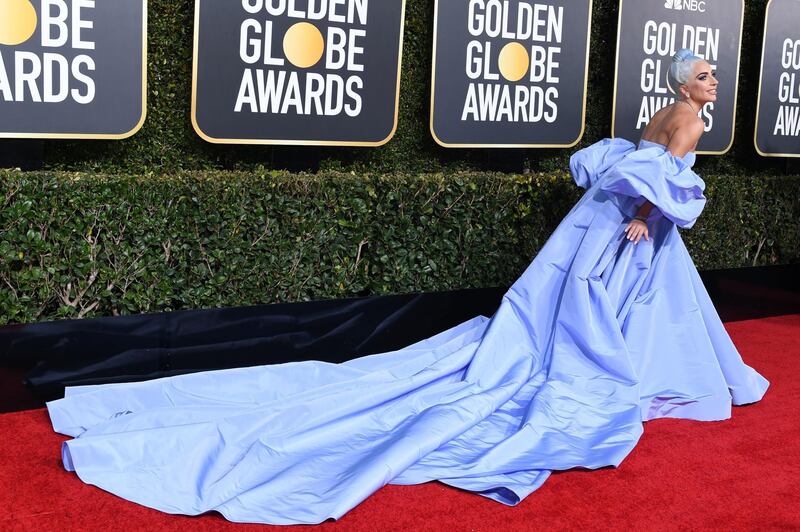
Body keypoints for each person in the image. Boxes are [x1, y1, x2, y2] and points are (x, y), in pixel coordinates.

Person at [45, 49, 768, 525]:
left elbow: (631, 159)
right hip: (632, 228)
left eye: (711, 74)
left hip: (594, 224)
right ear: (684, 83)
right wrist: (644, 218)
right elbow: (663, 181)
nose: (711, 82)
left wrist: (634, 208)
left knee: (575, 311)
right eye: (704, 74)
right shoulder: (690, 120)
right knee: (614, 317)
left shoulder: (658, 111)